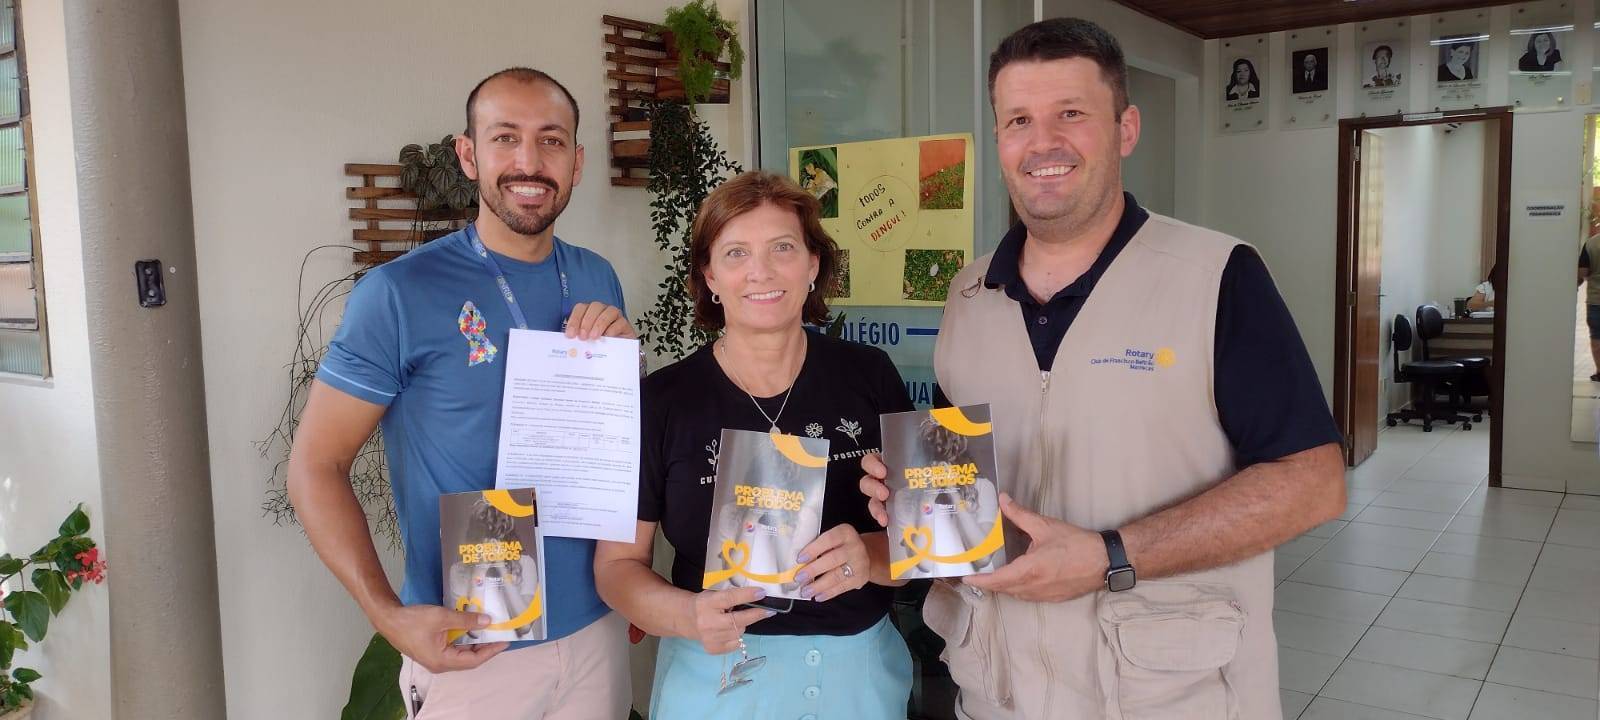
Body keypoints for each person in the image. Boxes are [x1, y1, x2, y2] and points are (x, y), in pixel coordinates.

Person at [858, 18, 1345, 720]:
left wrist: (1114, 554)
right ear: (998, 140)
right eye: (1018, 119)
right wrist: (913, 507)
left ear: (1125, 129)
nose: (1043, 142)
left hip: (1166, 697)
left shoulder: (1217, 276)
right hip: (997, 692)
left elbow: (1314, 484)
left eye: (1072, 115)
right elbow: (961, 494)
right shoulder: (968, 296)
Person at [287, 67, 635, 720]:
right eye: (506, 138)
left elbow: (607, 442)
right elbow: (315, 466)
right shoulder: (397, 293)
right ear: (468, 154)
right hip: (473, 642)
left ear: (578, 161)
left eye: (551, 141)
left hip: (596, 630)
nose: (529, 162)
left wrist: (621, 360)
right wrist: (386, 614)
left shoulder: (597, 276)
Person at [595, 171, 915, 720]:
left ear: (813, 265)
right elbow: (617, 567)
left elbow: (927, 539)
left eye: (783, 248)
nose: (760, 272)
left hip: (859, 679)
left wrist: (872, 558)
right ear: (709, 276)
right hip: (714, 680)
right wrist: (688, 614)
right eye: (736, 252)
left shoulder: (869, 375)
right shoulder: (663, 401)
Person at [1582, 236, 1600, 381]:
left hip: (1596, 300)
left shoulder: (1591, 244)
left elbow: (1582, 272)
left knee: (1596, 336)